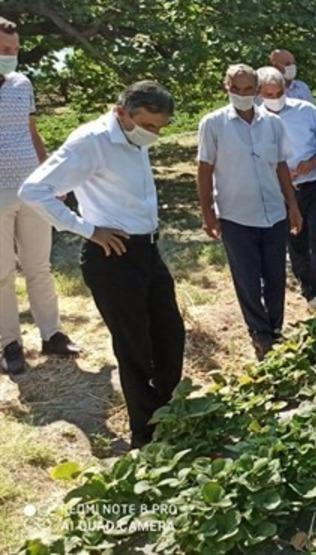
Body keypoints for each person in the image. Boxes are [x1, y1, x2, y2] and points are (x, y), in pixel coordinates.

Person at [20, 80, 184, 448]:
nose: (154, 134)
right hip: (112, 257)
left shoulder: (133, 138)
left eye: (160, 127)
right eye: (148, 125)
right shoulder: (91, 141)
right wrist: (87, 229)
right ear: (121, 112)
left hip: (147, 251)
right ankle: (148, 434)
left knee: (170, 335)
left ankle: (172, 414)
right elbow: (33, 190)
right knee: (135, 346)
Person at [197, 64, 302, 361]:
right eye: (236, 89)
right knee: (247, 276)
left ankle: (276, 327)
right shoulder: (213, 124)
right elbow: (204, 169)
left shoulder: (272, 123)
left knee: (275, 273)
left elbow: (281, 165)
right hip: (236, 214)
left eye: (248, 90)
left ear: (257, 90)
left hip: (273, 211)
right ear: (226, 88)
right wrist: (208, 212)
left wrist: (292, 204)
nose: (242, 95)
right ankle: (259, 332)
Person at [0, 17, 80, 375]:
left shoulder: (22, 83)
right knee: (1, 273)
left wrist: (51, 178)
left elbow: (32, 131)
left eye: (15, 50)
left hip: (31, 188)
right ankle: (9, 345)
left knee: (39, 266)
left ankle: (52, 335)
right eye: (5, 50)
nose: (12, 56)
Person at [257, 66, 316, 311]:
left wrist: (314, 161)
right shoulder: (256, 120)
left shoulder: (306, 111)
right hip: (283, 190)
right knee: (296, 240)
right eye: (268, 94)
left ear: (285, 89)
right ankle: (309, 288)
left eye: (278, 92)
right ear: (259, 93)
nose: (274, 98)